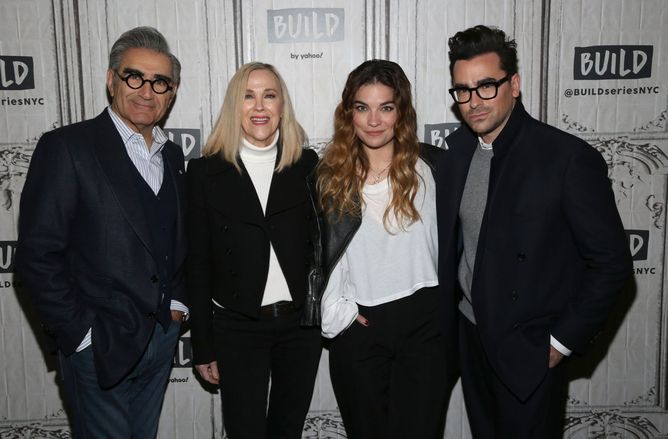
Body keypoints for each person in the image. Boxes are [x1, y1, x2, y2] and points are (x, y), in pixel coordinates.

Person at [440, 25, 633, 438]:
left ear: (514, 85)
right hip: (471, 338)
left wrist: (558, 343)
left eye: (486, 86)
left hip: (527, 347)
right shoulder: (457, 153)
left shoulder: (566, 158)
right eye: (463, 90)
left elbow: (612, 264)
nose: (474, 102)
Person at [16, 26, 187, 438]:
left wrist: (177, 309)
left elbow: (178, 242)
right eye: (134, 77)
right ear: (112, 80)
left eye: (160, 82)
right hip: (99, 345)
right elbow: (38, 256)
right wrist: (82, 336)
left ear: (171, 92)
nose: (146, 91)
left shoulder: (173, 155)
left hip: (160, 339)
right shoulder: (67, 147)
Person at [187, 62, 322, 439]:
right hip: (237, 327)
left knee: (288, 429)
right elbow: (197, 265)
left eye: (269, 95)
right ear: (235, 106)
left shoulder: (307, 166)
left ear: (282, 106)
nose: (259, 106)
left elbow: (324, 245)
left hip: (300, 327)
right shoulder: (204, 173)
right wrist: (203, 346)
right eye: (248, 96)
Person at [318, 59, 451, 439]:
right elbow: (317, 254)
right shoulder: (329, 177)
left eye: (386, 107)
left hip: (426, 326)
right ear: (349, 113)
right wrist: (338, 311)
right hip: (361, 328)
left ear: (401, 112)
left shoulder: (435, 167)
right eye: (363, 107)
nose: (374, 120)